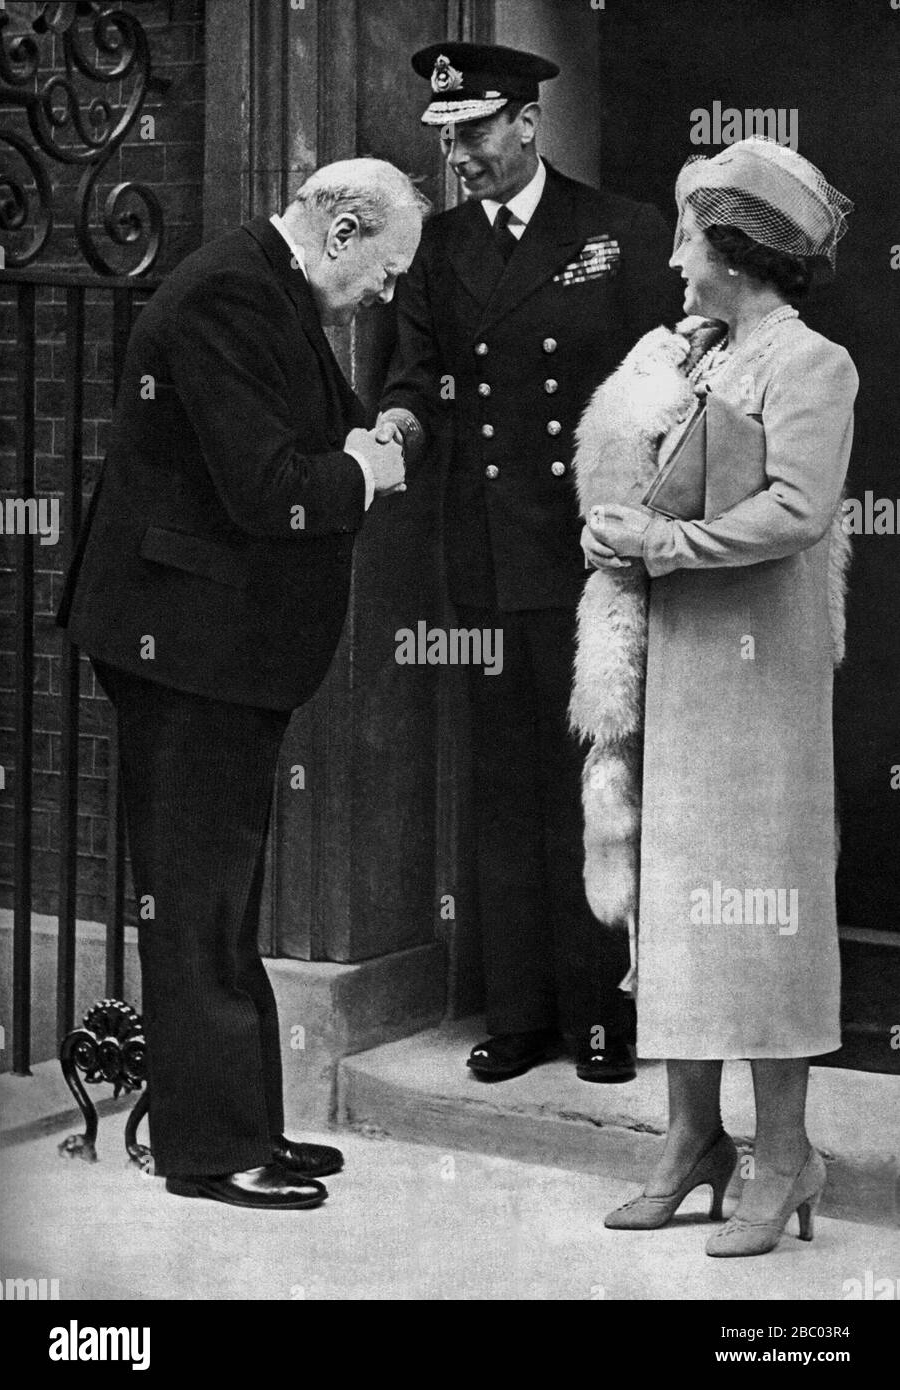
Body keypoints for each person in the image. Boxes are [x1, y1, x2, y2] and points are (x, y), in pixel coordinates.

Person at [57, 158, 427, 1209]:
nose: (385, 294)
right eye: (386, 268)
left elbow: (315, 427)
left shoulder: (268, 285)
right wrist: (366, 470)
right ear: (343, 228)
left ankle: (235, 1123)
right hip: (186, 651)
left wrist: (361, 442)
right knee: (197, 904)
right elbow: (271, 487)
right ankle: (212, 1151)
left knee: (217, 900)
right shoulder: (232, 292)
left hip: (211, 649)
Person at [576, 137, 857, 1255]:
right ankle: (692, 1138)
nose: (676, 262)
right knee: (678, 903)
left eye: (691, 239)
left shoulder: (810, 364)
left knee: (763, 907)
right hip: (675, 668)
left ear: (738, 254)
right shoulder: (684, 355)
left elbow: (797, 510)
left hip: (758, 681)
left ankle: (784, 1156)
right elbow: (630, 474)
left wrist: (664, 541)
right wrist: (613, 521)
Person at [380, 42, 681, 1084]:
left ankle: (605, 1017)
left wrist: (645, 521)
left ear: (526, 123)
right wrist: (390, 438)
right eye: (445, 136)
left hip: (593, 554)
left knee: (597, 777)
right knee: (503, 786)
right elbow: (412, 381)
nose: (458, 154)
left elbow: (671, 389)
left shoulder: (622, 231)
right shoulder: (435, 247)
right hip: (484, 559)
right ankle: (520, 1013)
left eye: (472, 131)